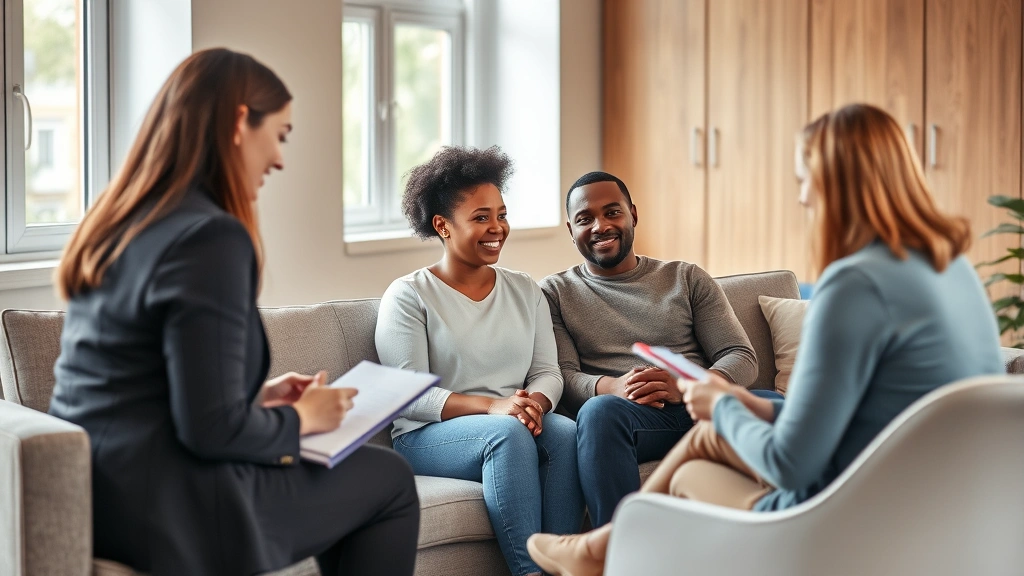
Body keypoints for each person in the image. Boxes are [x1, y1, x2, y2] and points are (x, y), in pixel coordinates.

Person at [526, 103, 1005, 576]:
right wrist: (730, 406)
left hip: (851, 514)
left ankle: (610, 556)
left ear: (836, 183)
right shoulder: (952, 269)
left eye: (805, 179)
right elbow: (870, 411)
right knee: (708, 430)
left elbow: (792, 462)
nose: (802, 197)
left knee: (696, 470)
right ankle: (602, 551)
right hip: (943, 503)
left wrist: (724, 401)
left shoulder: (853, 286)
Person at [48, 49, 419, 576]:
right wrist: (299, 419)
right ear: (241, 121)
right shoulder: (211, 237)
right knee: (390, 479)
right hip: (170, 507)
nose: (281, 159)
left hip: (106, 491)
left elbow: (138, 386)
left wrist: (259, 400)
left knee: (354, 479)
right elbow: (210, 431)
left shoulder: (118, 225)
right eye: (282, 134)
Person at [375, 146, 585, 576]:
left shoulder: (525, 289)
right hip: (427, 437)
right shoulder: (409, 294)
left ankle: (563, 566)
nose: (497, 228)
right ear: (443, 226)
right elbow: (407, 395)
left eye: (502, 214)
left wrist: (536, 405)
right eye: (481, 217)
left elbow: (547, 371)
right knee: (506, 435)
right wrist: (495, 407)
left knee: (565, 433)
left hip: (513, 418)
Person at [539, 170, 760, 527]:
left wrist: (688, 386)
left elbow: (741, 355)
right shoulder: (554, 293)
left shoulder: (685, 277)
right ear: (571, 230)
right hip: (630, 419)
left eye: (612, 212)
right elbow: (562, 374)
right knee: (598, 414)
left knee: (779, 407)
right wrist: (612, 387)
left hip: (698, 408)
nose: (600, 226)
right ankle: (619, 553)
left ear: (633, 215)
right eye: (585, 219)